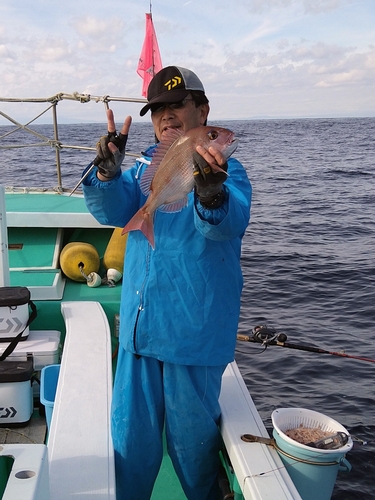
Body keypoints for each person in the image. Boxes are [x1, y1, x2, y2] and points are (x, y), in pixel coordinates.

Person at [82, 66, 252, 500]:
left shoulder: (229, 173)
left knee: (193, 454)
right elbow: (117, 212)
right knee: (129, 449)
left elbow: (225, 225)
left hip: (191, 338)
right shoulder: (143, 166)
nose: (166, 115)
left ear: (202, 111)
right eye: (157, 109)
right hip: (139, 334)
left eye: (177, 105)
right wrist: (105, 175)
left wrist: (210, 193)